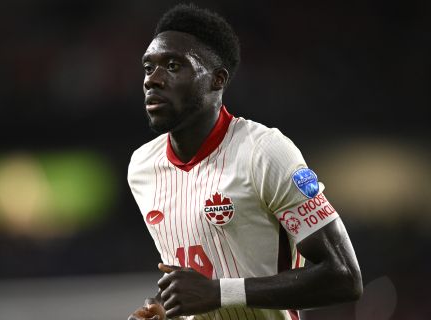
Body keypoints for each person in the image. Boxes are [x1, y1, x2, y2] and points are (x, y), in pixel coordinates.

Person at [127, 4, 362, 320]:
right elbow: (195, 277)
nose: (152, 80)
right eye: (147, 67)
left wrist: (220, 293)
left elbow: (344, 276)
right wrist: (163, 307)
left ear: (217, 80)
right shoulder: (142, 168)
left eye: (172, 66)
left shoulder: (265, 152)